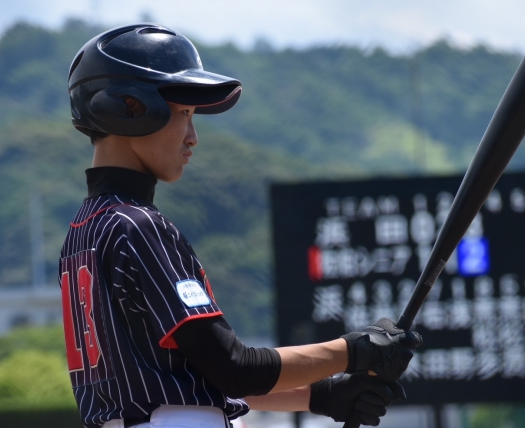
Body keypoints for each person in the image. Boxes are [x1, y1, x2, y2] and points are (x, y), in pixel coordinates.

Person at [59, 24, 423, 428]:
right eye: (184, 113)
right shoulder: (137, 226)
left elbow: (207, 371)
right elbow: (235, 368)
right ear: (129, 108)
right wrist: (355, 350)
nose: (193, 137)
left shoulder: (85, 231)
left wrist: (322, 395)